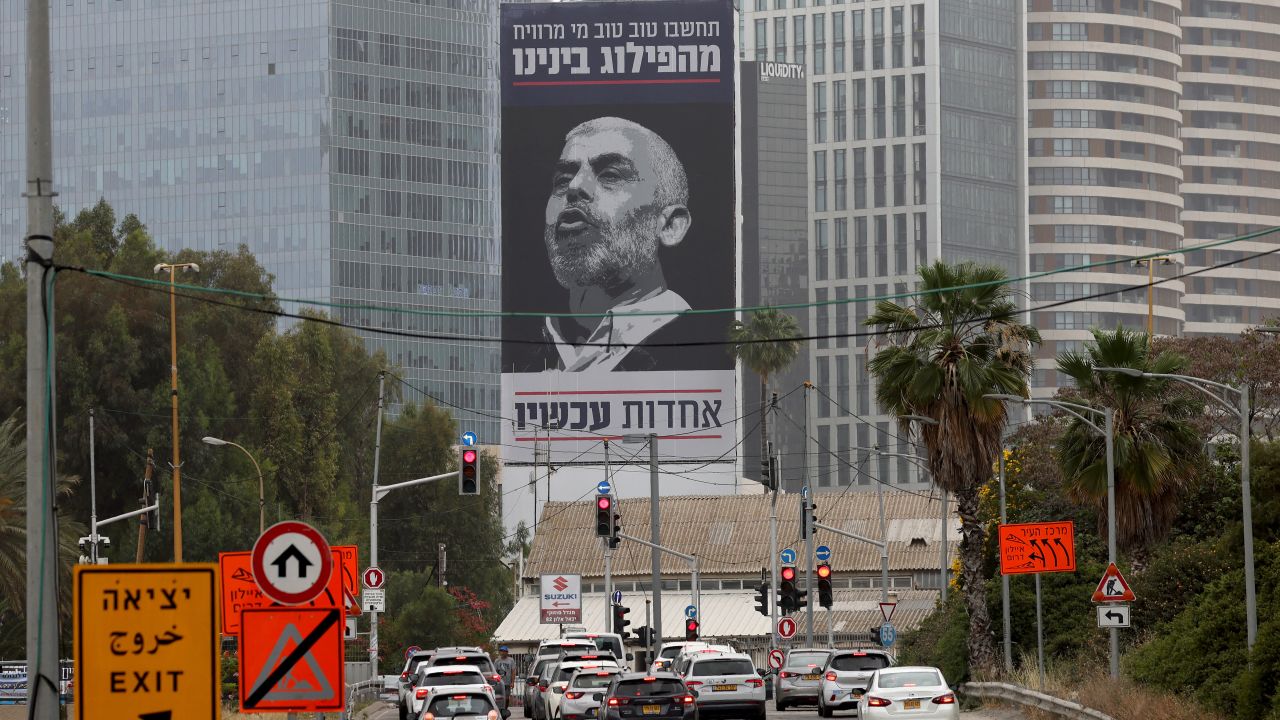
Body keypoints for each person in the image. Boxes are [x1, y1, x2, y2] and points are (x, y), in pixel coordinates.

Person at [525, 116, 724, 372]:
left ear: (670, 225)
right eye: (562, 180)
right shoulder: (523, 349)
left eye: (610, 174)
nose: (574, 187)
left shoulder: (704, 351)